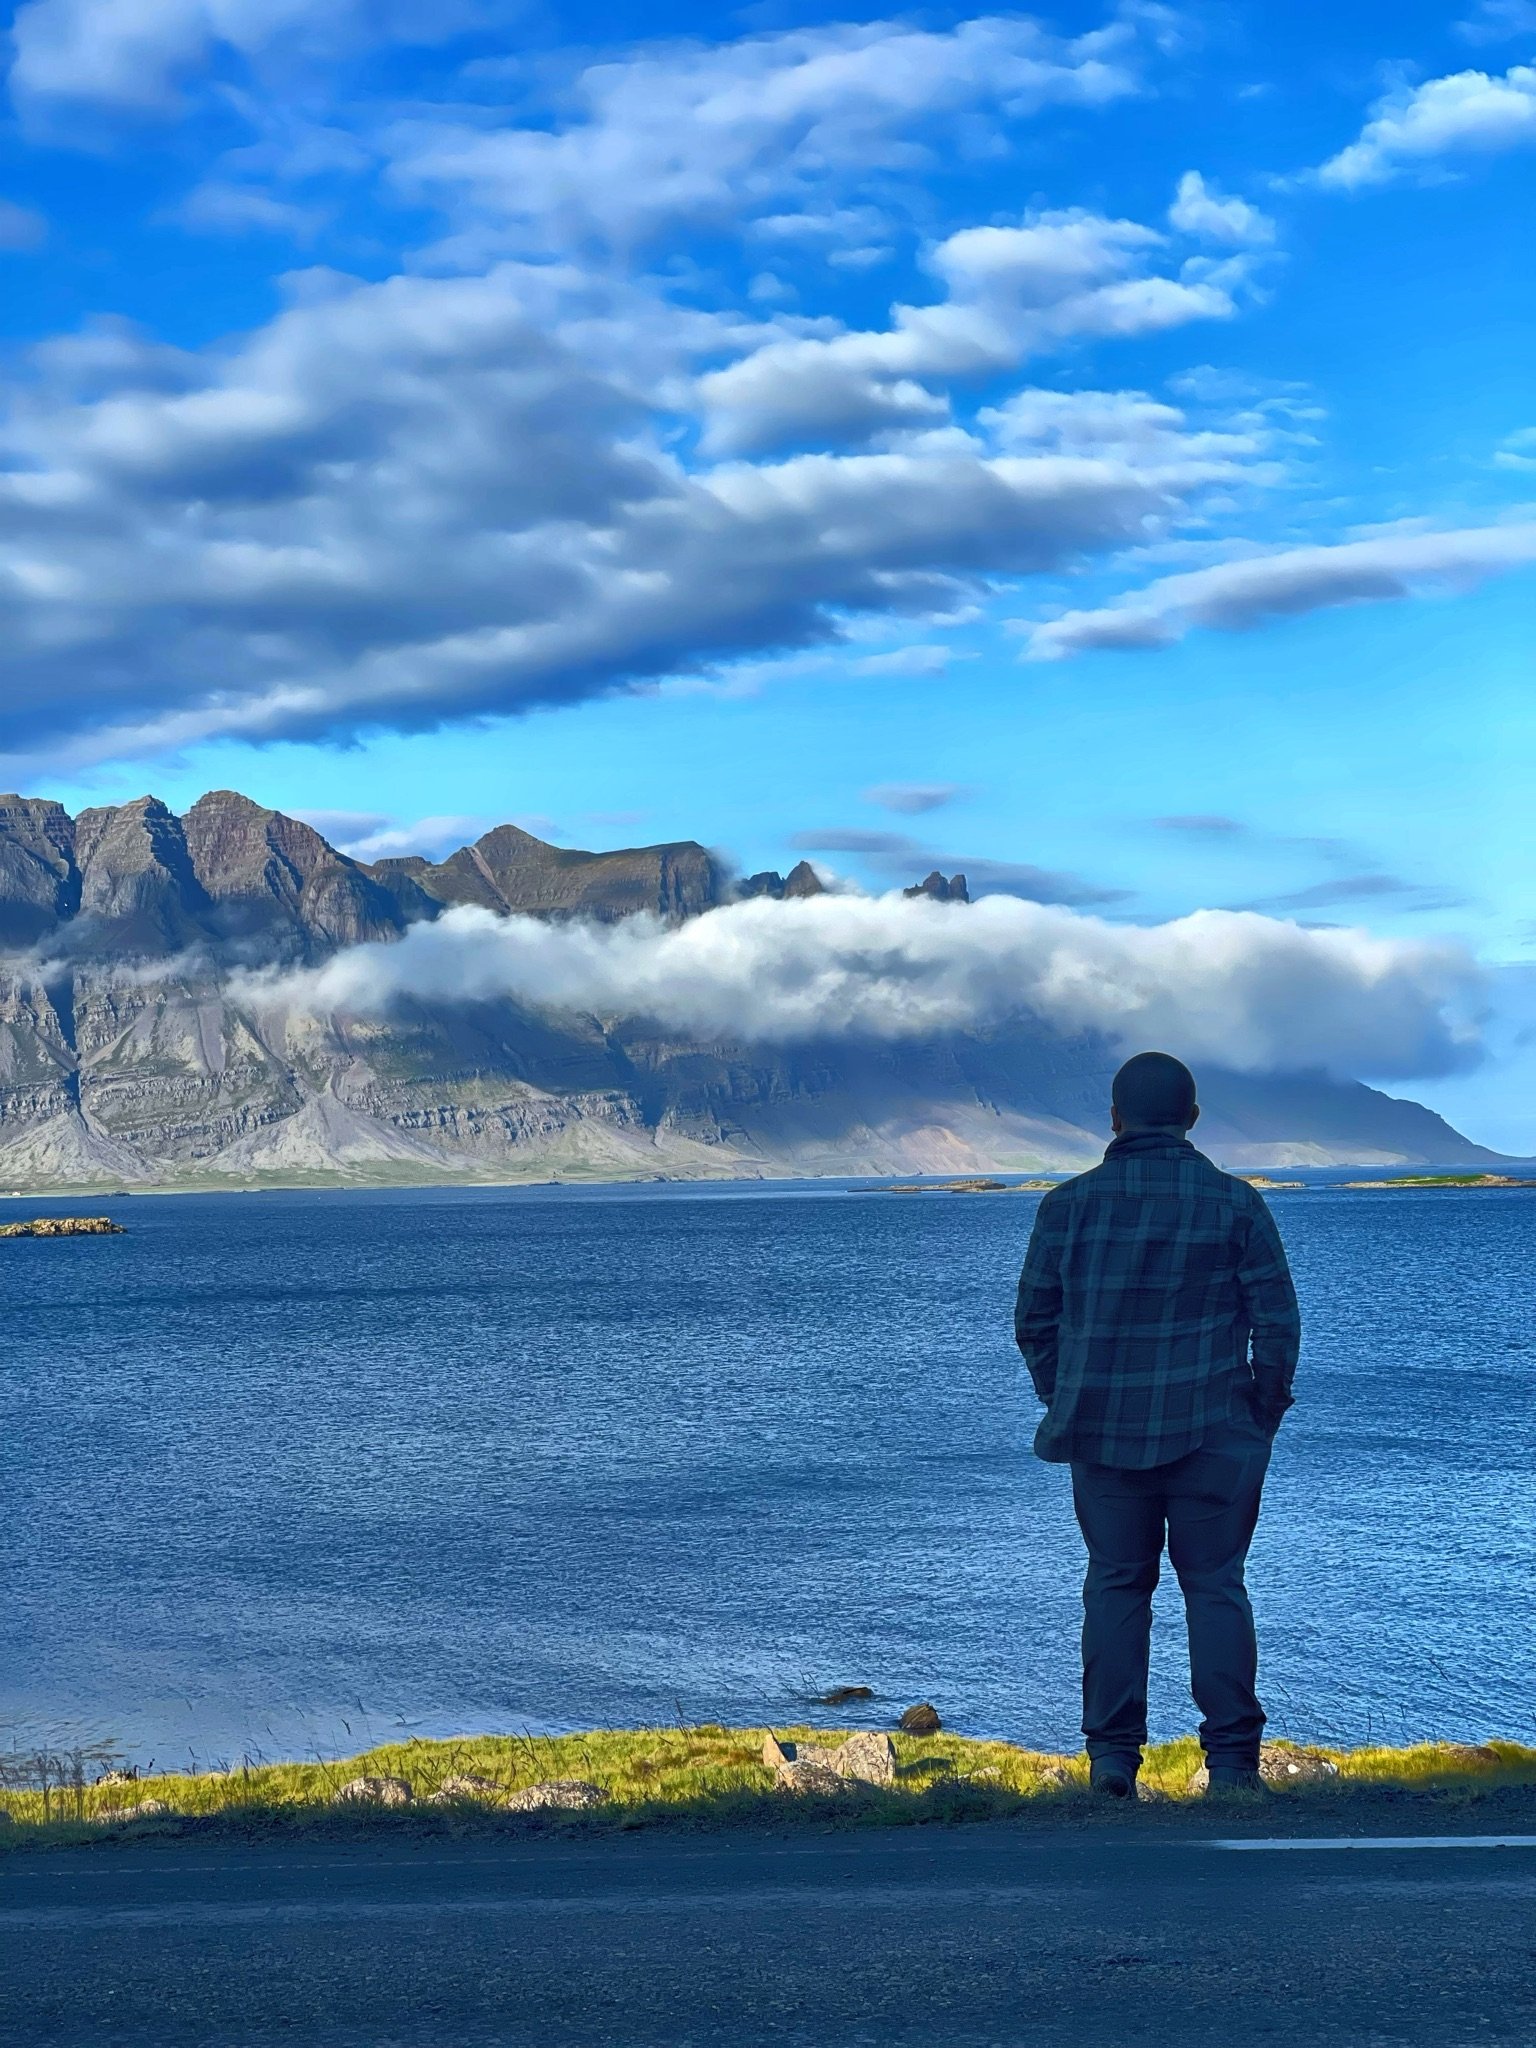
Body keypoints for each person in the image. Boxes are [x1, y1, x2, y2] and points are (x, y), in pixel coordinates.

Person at [1014, 1051, 1301, 1799]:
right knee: (1214, 1586)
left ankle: (1112, 1763)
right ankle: (1233, 1768)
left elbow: (1033, 1323)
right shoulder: (1236, 1203)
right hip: (1216, 1432)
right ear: (1193, 1118)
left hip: (1102, 1434)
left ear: (1113, 1117)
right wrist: (1260, 1414)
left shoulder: (1066, 1206)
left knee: (1115, 1585)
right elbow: (1277, 1325)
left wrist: (1066, 1398)